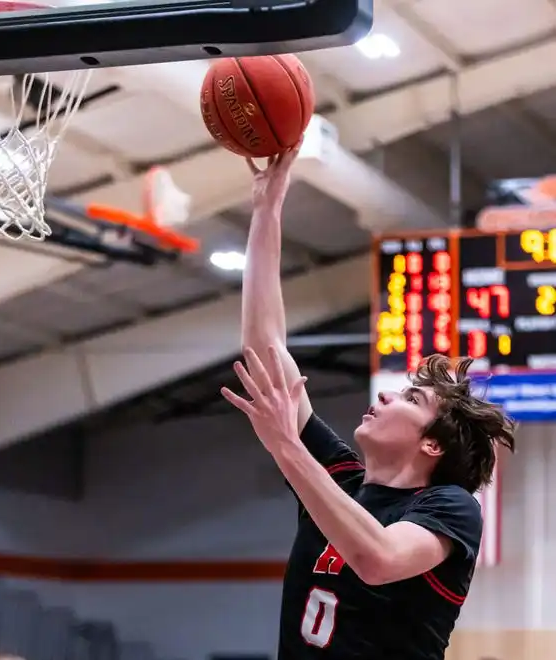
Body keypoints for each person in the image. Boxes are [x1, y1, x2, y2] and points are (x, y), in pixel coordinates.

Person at [220, 147, 517, 660]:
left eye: (411, 398)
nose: (384, 394)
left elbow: (377, 558)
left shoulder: (449, 508)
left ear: (432, 443)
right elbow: (265, 347)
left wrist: (288, 448)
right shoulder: (340, 478)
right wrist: (267, 210)